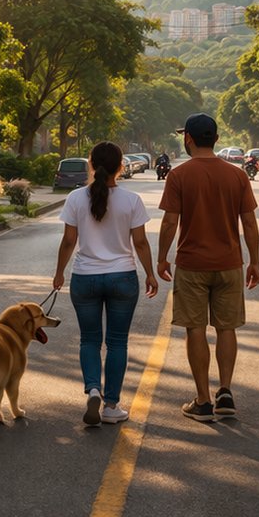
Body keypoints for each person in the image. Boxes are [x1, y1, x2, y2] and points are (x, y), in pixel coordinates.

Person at [157, 113, 259, 423]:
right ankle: (225, 391)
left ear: (187, 138)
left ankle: (203, 400)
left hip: (192, 265)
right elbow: (250, 222)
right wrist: (254, 260)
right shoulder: (237, 176)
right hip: (229, 263)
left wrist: (162, 257)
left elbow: (170, 221)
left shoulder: (179, 175)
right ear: (215, 139)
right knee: (226, 327)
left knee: (196, 328)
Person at [53, 142, 159, 427]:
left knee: (89, 339)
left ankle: (93, 390)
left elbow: (68, 241)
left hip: (85, 277)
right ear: (120, 166)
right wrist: (150, 273)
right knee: (116, 342)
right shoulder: (132, 200)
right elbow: (140, 242)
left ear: (91, 164)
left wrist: (59, 272)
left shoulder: (75, 198)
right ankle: (111, 406)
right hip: (122, 277)